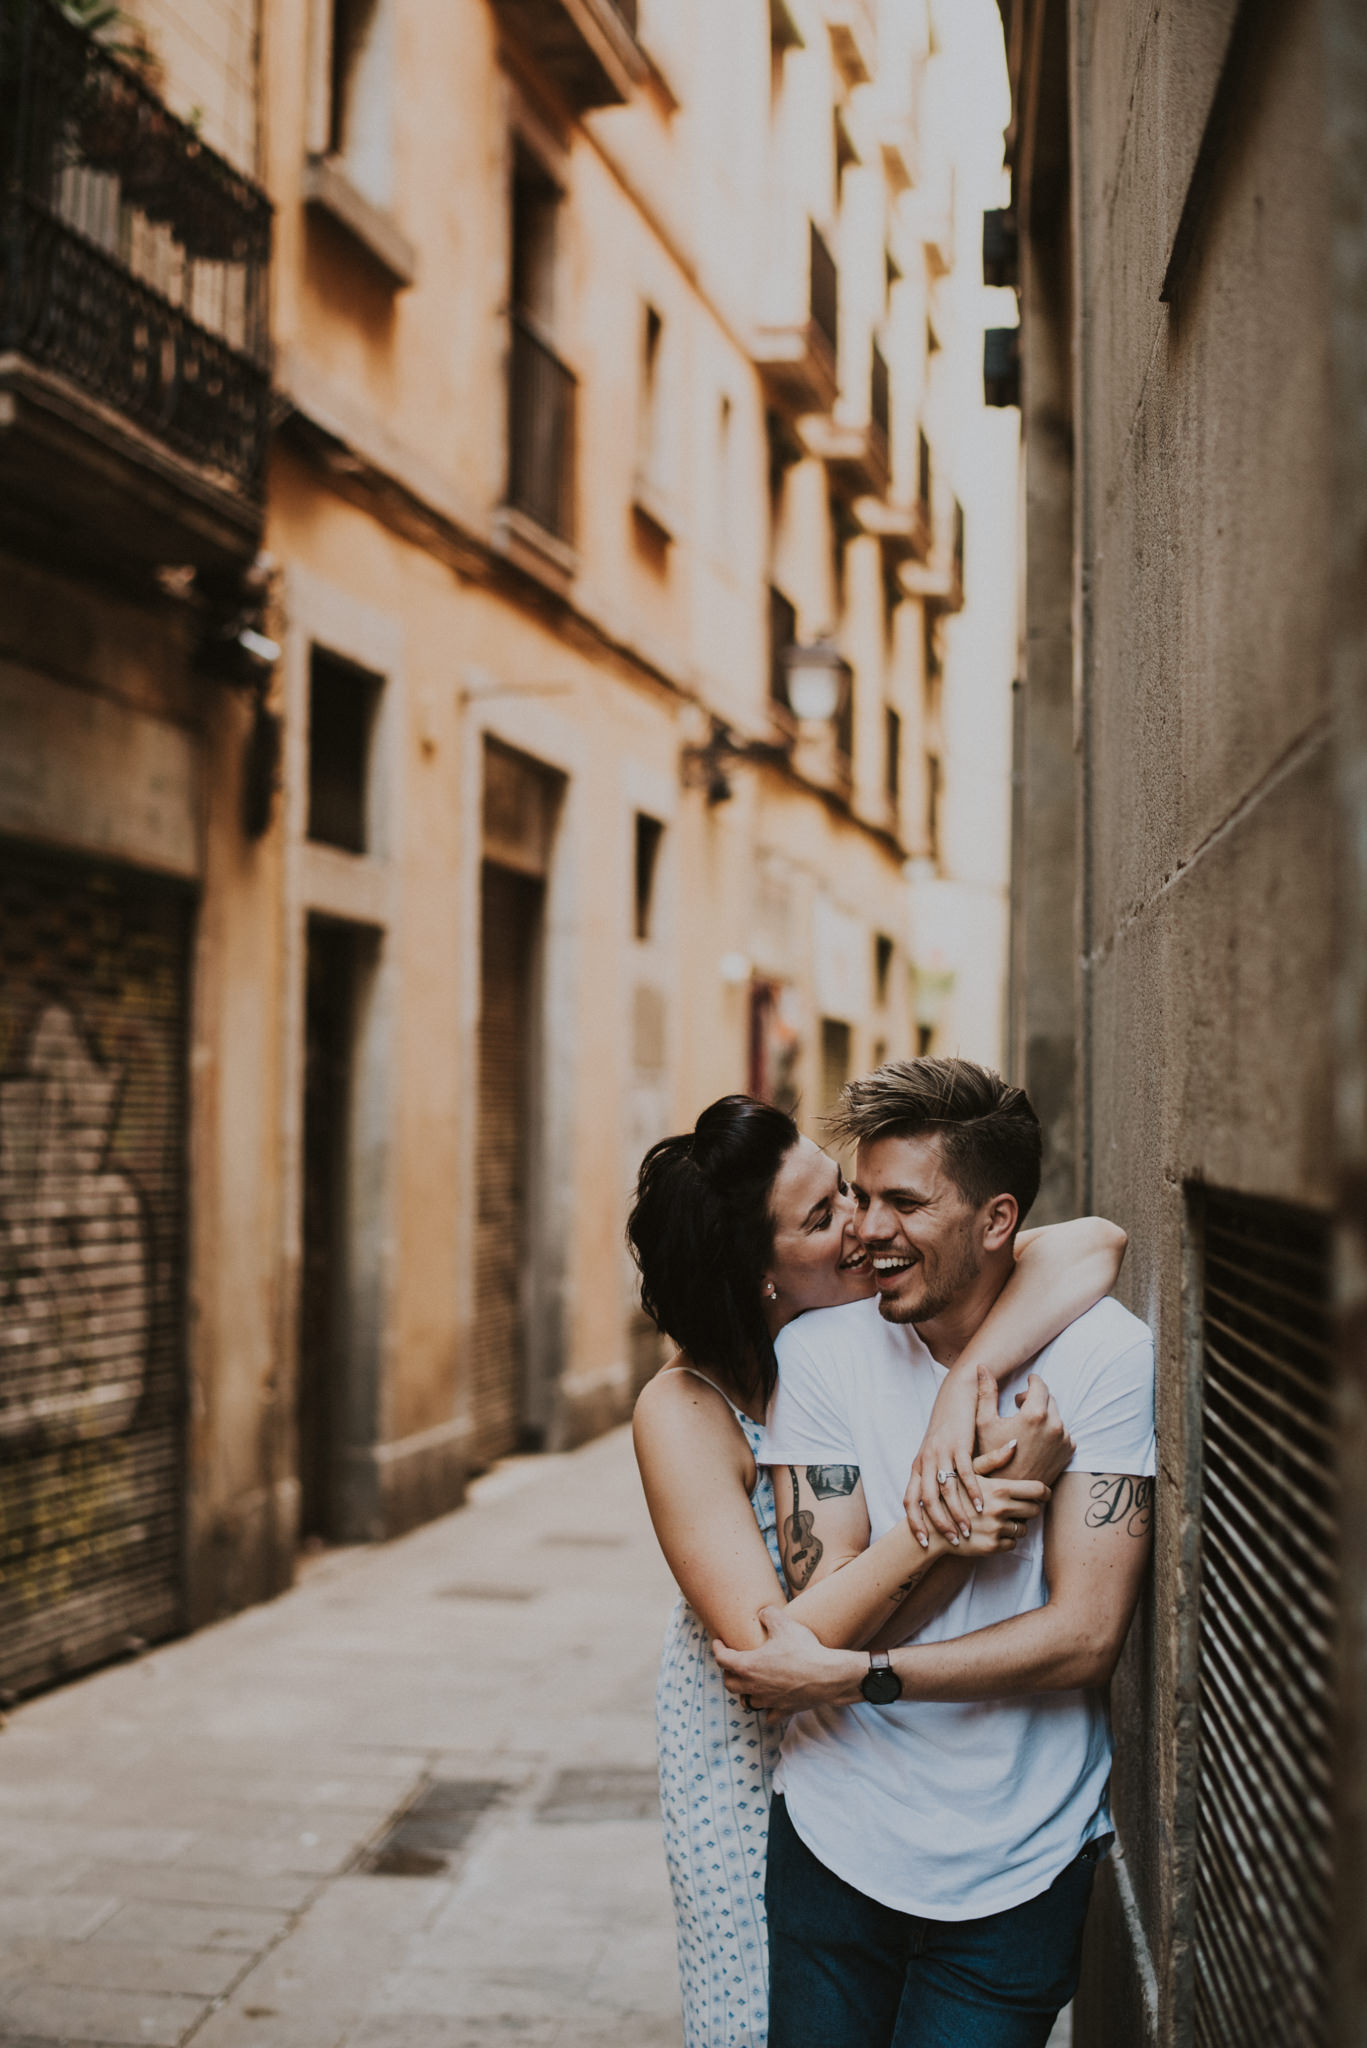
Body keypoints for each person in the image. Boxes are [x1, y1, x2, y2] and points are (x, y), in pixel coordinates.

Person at [628, 1093, 1129, 2048]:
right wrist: (961, 1502)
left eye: (849, 1192)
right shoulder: (684, 1410)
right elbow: (775, 1651)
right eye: (824, 1218)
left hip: (890, 1742)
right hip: (755, 1733)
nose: (862, 1225)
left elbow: (1094, 1242)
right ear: (758, 1276)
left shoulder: (876, 1328)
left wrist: (961, 1389)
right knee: (751, 2018)